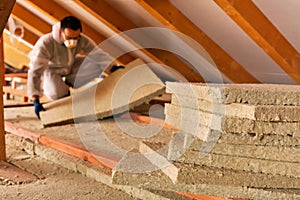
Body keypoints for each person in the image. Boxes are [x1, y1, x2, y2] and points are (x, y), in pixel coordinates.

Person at [27, 16, 118, 119]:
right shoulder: (46, 42)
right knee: (56, 93)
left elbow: (97, 54)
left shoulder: (81, 39)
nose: (73, 41)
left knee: (97, 64)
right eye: (69, 38)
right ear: (61, 32)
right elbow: (35, 71)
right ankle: (62, 90)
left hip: (70, 65)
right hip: (51, 69)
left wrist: (113, 68)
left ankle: (69, 83)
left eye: (75, 38)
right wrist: (35, 99)